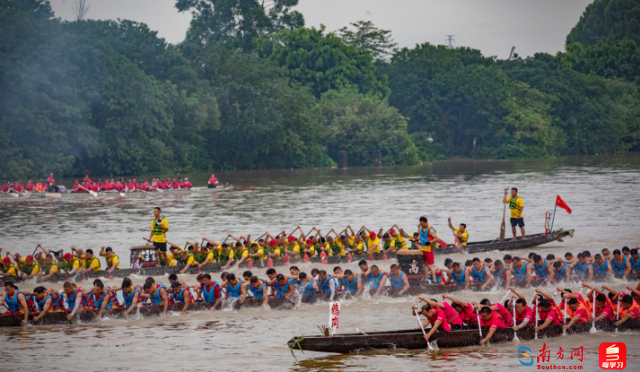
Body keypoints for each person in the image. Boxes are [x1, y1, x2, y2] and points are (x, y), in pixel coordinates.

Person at [417, 216, 440, 282]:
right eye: (420, 224)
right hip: (422, 248)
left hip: (428, 249)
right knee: (423, 264)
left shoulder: (431, 230)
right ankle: (426, 278)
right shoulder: (421, 228)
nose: (421, 225)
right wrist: (416, 239)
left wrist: (429, 242)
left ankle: (434, 279)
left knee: (430, 265)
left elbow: (436, 238)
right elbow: (420, 235)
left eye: (422, 224)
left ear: (425, 222)